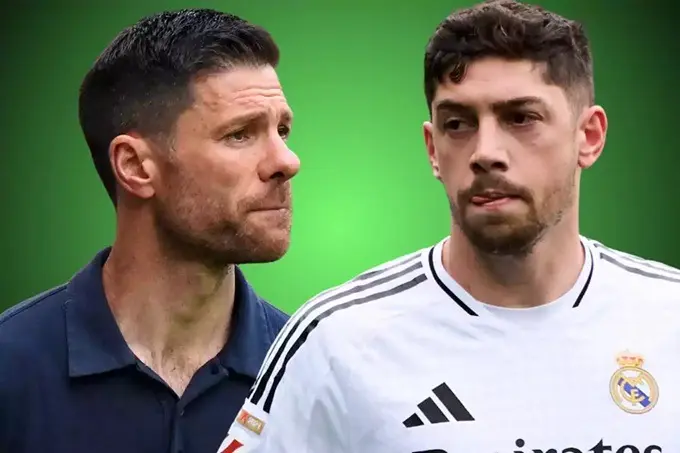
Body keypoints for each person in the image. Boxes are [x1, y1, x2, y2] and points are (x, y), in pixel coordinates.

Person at [218, 1, 680, 452]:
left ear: (589, 136)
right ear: (432, 149)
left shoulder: (668, 316)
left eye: (521, 118)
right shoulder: (336, 342)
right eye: (458, 124)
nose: (486, 152)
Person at [0, 8, 299, 453]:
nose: (287, 161)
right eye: (240, 134)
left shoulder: (306, 374)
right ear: (136, 166)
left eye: (282, 130)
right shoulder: (11, 370)